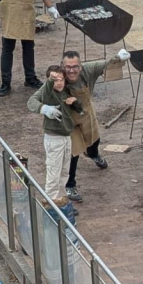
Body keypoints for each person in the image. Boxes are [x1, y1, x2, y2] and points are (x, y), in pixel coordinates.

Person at [55, 49, 127, 201]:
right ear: (62, 65)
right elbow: (39, 96)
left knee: (94, 140)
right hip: (68, 119)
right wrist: (45, 108)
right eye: (68, 67)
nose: (71, 71)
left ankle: (93, 154)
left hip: (87, 113)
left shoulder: (88, 70)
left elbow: (108, 64)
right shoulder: (57, 77)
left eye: (75, 66)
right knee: (74, 152)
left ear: (80, 66)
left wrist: (119, 57)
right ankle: (70, 185)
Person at [27, 65, 81, 203]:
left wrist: (75, 102)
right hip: (54, 139)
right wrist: (44, 108)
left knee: (64, 172)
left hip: (66, 136)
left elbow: (80, 109)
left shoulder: (66, 91)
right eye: (55, 80)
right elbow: (33, 101)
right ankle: (51, 204)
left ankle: (61, 201)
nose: (59, 82)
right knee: (54, 173)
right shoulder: (48, 93)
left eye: (61, 79)